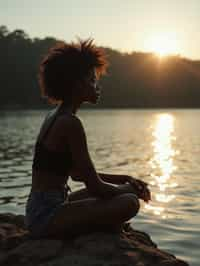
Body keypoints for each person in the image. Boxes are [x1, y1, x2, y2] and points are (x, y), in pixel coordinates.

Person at [25, 38, 151, 239]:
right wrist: (132, 190)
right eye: (92, 80)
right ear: (76, 84)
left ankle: (103, 222)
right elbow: (96, 186)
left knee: (122, 195)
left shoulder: (55, 115)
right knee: (129, 202)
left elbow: (76, 174)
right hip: (46, 217)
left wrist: (125, 179)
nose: (97, 86)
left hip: (40, 209)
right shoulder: (70, 123)